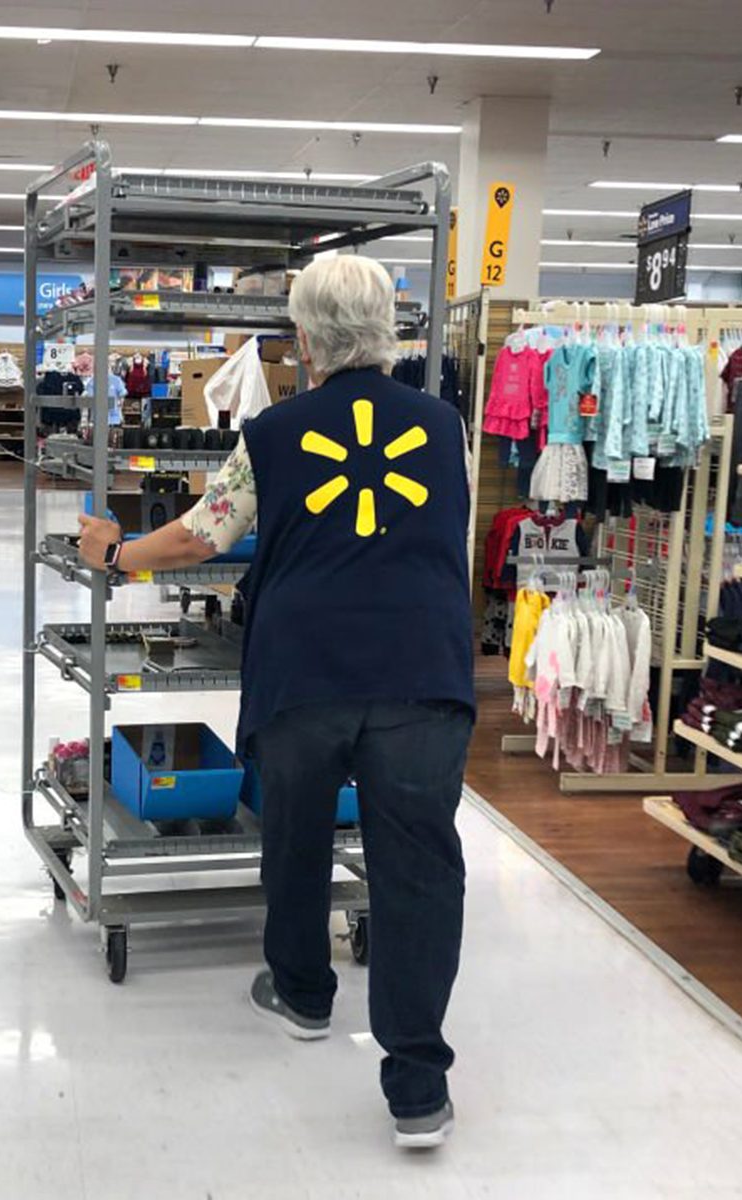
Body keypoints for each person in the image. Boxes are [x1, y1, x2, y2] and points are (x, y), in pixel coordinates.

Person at [77, 254, 474, 1150]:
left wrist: (113, 554)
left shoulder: (274, 431)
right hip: (423, 671)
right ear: (390, 332)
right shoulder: (445, 426)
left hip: (306, 672)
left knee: (293, 839)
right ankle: (416, 1086)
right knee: (418, 872)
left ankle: (302, 995)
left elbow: (198, 537)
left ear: (302, 337)